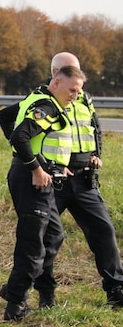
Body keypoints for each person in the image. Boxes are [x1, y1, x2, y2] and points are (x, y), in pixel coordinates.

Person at [0, 64, 84, 321]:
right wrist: (35, 167)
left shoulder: (42, 100)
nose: (75, 96)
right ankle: (15, 304)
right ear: (56, 82)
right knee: (32, 245)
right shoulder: (46, 107)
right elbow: (20, 137)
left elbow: (5, 116)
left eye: (79, 92)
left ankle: (14, 289)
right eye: (72, 90)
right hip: (31, 180)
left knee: (54, 237)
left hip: (42, 177)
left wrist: (54, 168)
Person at [39, 52, 123, 309]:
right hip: (55, 179)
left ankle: (116, 290)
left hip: (85, 178)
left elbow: (94, 129)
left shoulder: (85, 97)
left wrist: (96, 154)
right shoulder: (42, 98)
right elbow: (24, 134)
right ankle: (46, 294)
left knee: (104, 232)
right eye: (67, 70)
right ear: (55, 73)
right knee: (49, 239)